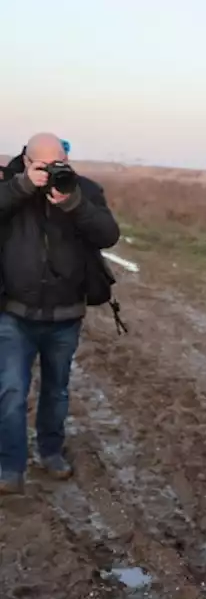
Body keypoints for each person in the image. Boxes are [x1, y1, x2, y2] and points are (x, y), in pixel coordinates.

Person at [0, 134, 120, 494]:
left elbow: (108, 235)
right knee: (10, 391)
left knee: (57, 391)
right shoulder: (10, 188)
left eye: (59, 165)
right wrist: (22, 186)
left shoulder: (84, 190)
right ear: (26, 160)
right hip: (14, 313)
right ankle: (9, 466)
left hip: (66, 315)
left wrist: (74, 203)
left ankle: (51, 452)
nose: (52, 172)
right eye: (43, 166)